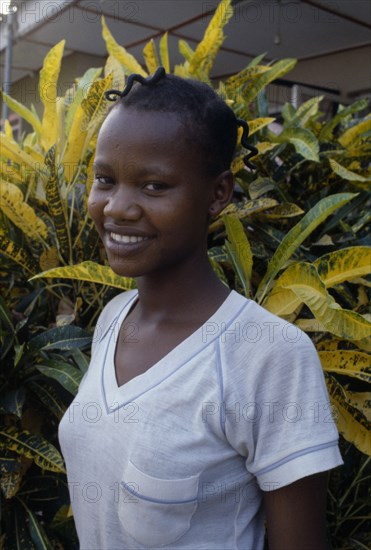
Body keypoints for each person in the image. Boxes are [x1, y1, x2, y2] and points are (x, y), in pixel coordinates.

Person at [58, 67, 343, 550]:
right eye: (105, 179)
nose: (117, 207)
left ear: (218, 195)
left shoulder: (270, 356)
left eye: (153, 186)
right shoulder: (113, 318)